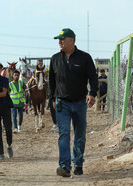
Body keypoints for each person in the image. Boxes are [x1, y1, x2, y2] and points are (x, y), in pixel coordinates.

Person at [49, 28, 98, 177]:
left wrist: (92, 94)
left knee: (80, 135)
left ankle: (78, 163)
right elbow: (51, 81)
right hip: (62, 103)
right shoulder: (55, 59)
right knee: (64, 133)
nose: (60, 42)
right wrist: (51, 98)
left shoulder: (85, 58)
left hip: (80, 103)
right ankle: (64, 167)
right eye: (59, 40)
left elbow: (93, 77)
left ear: (72, 40)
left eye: (63, 39)